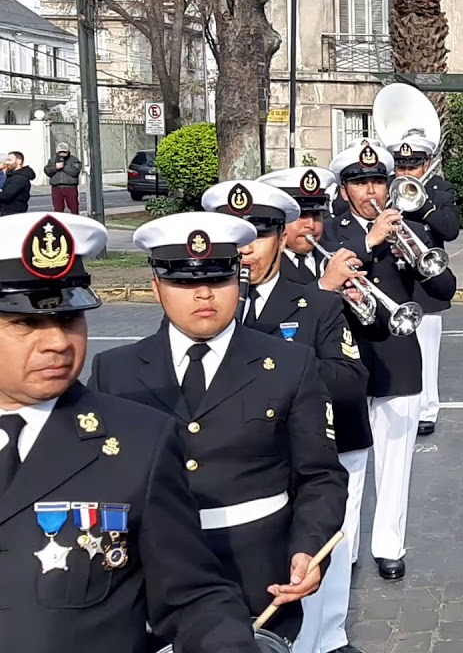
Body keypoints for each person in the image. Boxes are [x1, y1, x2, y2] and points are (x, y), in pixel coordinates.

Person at [0, 212, 261, 652]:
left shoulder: (139, 441)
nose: (58, 343)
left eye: (69, 319)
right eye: (26, 324)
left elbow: (190, 595)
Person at [89, 211, 348, 641]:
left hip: (259, 582)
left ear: (239, 282)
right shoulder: (115, 372)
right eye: (184, 282)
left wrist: (309, 547)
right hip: (154, 582)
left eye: (218, 279)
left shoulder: (288, 363)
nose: (204, 293)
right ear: (156, 287)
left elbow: (320, 474)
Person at [205, 176, 372, 653]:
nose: (243, 251)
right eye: (231, 237)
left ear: (279, 236)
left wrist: (284, 372)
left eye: (255, 235)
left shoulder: (315, 300)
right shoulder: (203, 303)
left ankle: (324, 640)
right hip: (234, 470)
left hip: (300, 452)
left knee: (312, 564)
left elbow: (349, 380)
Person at [322, 140, 457, 581]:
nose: (371, 190)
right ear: (344, 191)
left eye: (378, 180)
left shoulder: (407, 225)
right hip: (346, 358)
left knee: (396, 460)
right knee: (349, 464)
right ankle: (346, 548)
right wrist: (371, 241)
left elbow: (445, 290)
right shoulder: (328, 231)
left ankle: (389, 546)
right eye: (360, 183)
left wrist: (416, 261)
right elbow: (323, 288)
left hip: (397, 356)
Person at [388, 133, 459, 438]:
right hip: (391, 278)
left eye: (413, 166)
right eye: (401, 166)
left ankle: (427, 409)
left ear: (426, 164)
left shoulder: (440, 191)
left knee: (427, 351)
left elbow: (450, 230)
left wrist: (422, 203)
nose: (406, 173)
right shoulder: (384, 190)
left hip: (425, 281)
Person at [43, 142, 82, 215]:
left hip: (70, 187)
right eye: (61, 152)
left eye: (64, 152)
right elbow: (47, 171)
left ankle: (75, 223)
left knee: (74, 208)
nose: (62, 154)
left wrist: (63, 167)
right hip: (56, 187)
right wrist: (55, 167)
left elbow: (75, 171)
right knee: (58, 209)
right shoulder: (52, 160)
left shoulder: (74, 160)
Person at [0, 150, 34, 216]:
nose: (7, 163)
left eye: (10, 160)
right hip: (7, 211)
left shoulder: (19, 178)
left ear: (19, 161)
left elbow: (6, 195)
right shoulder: (12, 175)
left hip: (13, 213)